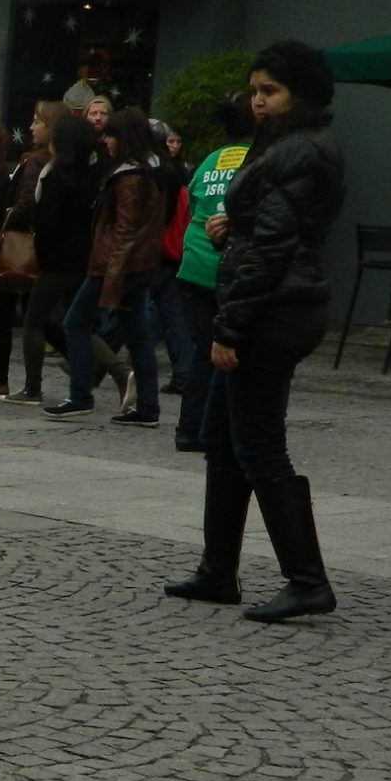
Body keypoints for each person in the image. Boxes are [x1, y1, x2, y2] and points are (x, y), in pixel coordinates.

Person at [163, 39, 347, 622]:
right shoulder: (284, 144)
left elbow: (273, 249)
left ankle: (308, 580)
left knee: (260, 444)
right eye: (255, 90)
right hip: (268, 299)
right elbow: (264, 232)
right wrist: (230, 231)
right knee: (221, 438)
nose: (258, 101)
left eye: (271, 91)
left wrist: (231, 328)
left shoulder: (301, 150)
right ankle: (218, 571)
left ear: (303, 96)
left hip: (274, 312)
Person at [46, 105, 166, 425]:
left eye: (111, 135)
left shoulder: (128, 177)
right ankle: (148, 406)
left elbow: (123, 231)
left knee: (74, 323)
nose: (107, 141)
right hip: (138, 265)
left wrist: (110, 280)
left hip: (116, 265)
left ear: (123, 138)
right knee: (138, 334)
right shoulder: (149, 171)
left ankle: (80, 395)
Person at [170, 91, 256, 454]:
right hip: (229, 268)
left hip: (194, 264)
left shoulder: (210, 160)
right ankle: (199, 430)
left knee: (203, 347)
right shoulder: (259, 161)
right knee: (220, 351)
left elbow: (193, 201)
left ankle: (192, 427)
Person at [11, 111, 98, 404]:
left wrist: (40, 245)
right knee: (76, 323)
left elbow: (47, 222)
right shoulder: (91, 174)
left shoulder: (55, 175)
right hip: (82, 256)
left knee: (34, 320)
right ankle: (116, 371)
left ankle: (32, 387)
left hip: (56, 259)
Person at [0, 106, 58, 395]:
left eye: (37, 121)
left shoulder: (33, 163)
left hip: (20, 245)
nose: (31, 127)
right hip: (39, 245)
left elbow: (28, 202)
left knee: (14, 312)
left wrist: (7, 221)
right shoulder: (48, 160)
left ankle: (11, 381)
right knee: (39, 318)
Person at [149, 119, 196, 394]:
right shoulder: (181, 171)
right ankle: (183, 374)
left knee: (135, 308)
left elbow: (161, 215)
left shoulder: (163, 172)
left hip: (162, 248)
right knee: (170, 311)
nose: (174, 146)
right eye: (171, 141)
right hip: (175, 248)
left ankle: (97, 359)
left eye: (177, 141)